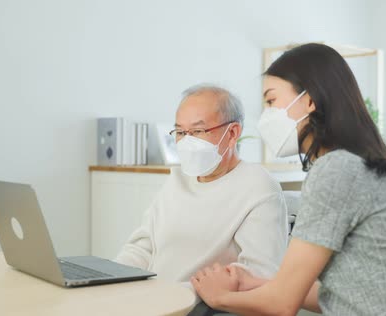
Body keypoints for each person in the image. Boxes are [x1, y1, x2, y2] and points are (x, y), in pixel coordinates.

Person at [190, 44, 386, 316]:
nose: (267, 115)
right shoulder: (362, 167)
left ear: (309, 100)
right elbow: (346, 296)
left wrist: (218, 297)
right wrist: (255, 284)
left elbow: (281, 305)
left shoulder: (337, 171)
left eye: (271, 101)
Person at [114, 84, 288, 293]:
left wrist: (176, 294)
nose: (187, 141)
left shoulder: (258, 186)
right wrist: (112, 279)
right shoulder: (177, 180)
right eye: (180, 132)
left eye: (197, 131)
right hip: (150, 299)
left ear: (232, 133)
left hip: (195, 306)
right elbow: (142, 248)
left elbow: (259, 273)